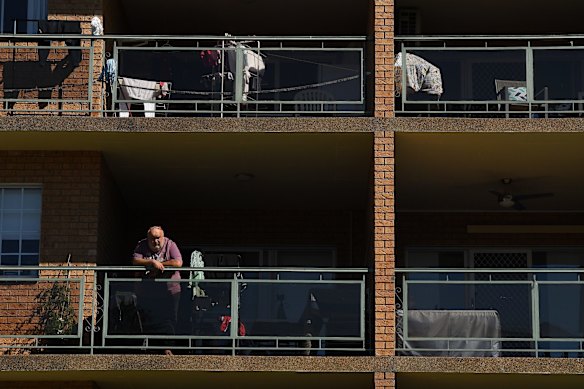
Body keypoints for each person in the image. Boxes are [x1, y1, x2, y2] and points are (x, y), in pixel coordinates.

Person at [132, 226, 183, 355]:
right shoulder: (142, 245)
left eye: (158, 238)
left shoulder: (170, 244)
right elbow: (135, 260)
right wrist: (152, 262)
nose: (156, 242)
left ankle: (168, 348)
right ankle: (150, 347)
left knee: (169, 319)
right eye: (152, 239)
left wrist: (161, 265)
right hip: (148, 291)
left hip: (170, 290)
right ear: (148, 238)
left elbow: (178, 262)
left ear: (163, 237)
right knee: (149, 317)